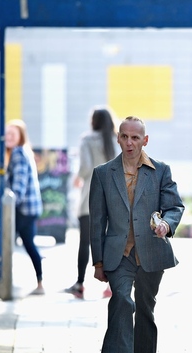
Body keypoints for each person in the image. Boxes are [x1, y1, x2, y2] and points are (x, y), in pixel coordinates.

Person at [89, 116, 184, 353]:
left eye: (135, 137)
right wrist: (97, 262)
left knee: (145, 308)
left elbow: (174, 206)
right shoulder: (103, 173)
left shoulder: (160, 171)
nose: (130, 143)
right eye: (125, 137)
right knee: (121, 299)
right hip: (119, 253)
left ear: (145, 140)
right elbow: (97, 221)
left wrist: (167, 224)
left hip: (152, 252)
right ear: (118, 138)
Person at [65, 107, 118, 299]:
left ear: (93, 121)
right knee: (112, 242)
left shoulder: (87, 140)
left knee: (85, 242)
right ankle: (111, 287)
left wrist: (78, 178)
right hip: (113, 200)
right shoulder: (117, 140)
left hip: (90, 197)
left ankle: (80, 284)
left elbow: (86, 167)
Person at [0, 119, 45, 295]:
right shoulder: (21, 152)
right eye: (7, 134)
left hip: (22, 209)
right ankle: (38, 282)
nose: (8, 137)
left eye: (12, 134)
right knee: (27, 243)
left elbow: (19, 184)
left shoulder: (17, 153)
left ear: (20, 137)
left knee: (4, 240)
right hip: (28, 208)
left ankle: (3, 281)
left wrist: (9, 203)